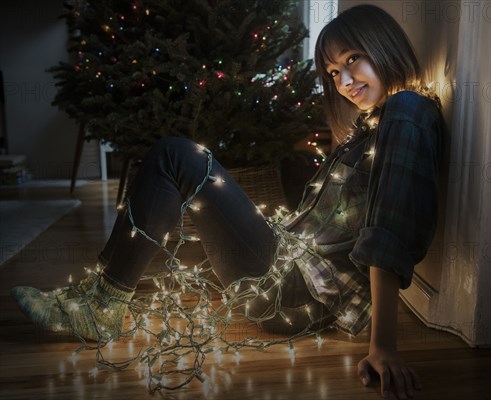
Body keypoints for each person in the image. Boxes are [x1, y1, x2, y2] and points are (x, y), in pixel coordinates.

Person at [12, 5, 444, 399]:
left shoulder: (407, 111)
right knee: (161, 256)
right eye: (332, 72)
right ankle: (96, 295)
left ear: (383, 45)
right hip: (288, 269)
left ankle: (100, 305)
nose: (344, 81)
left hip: (293, 292)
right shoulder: (376, 124)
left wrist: (383, 346)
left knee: (177, 156)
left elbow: (390, 230)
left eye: (352, 59)